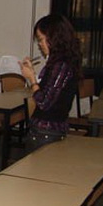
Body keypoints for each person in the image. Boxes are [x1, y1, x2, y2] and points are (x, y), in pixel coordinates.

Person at [19, 14, 81, 151]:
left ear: (54, 38)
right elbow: (49, 91)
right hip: (51, 130)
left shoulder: (61, 65)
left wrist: (32, 79)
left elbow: (44, 102)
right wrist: (33, 74)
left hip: (46, 132)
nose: (39, 44)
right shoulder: (63, 62)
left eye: (41, 39)